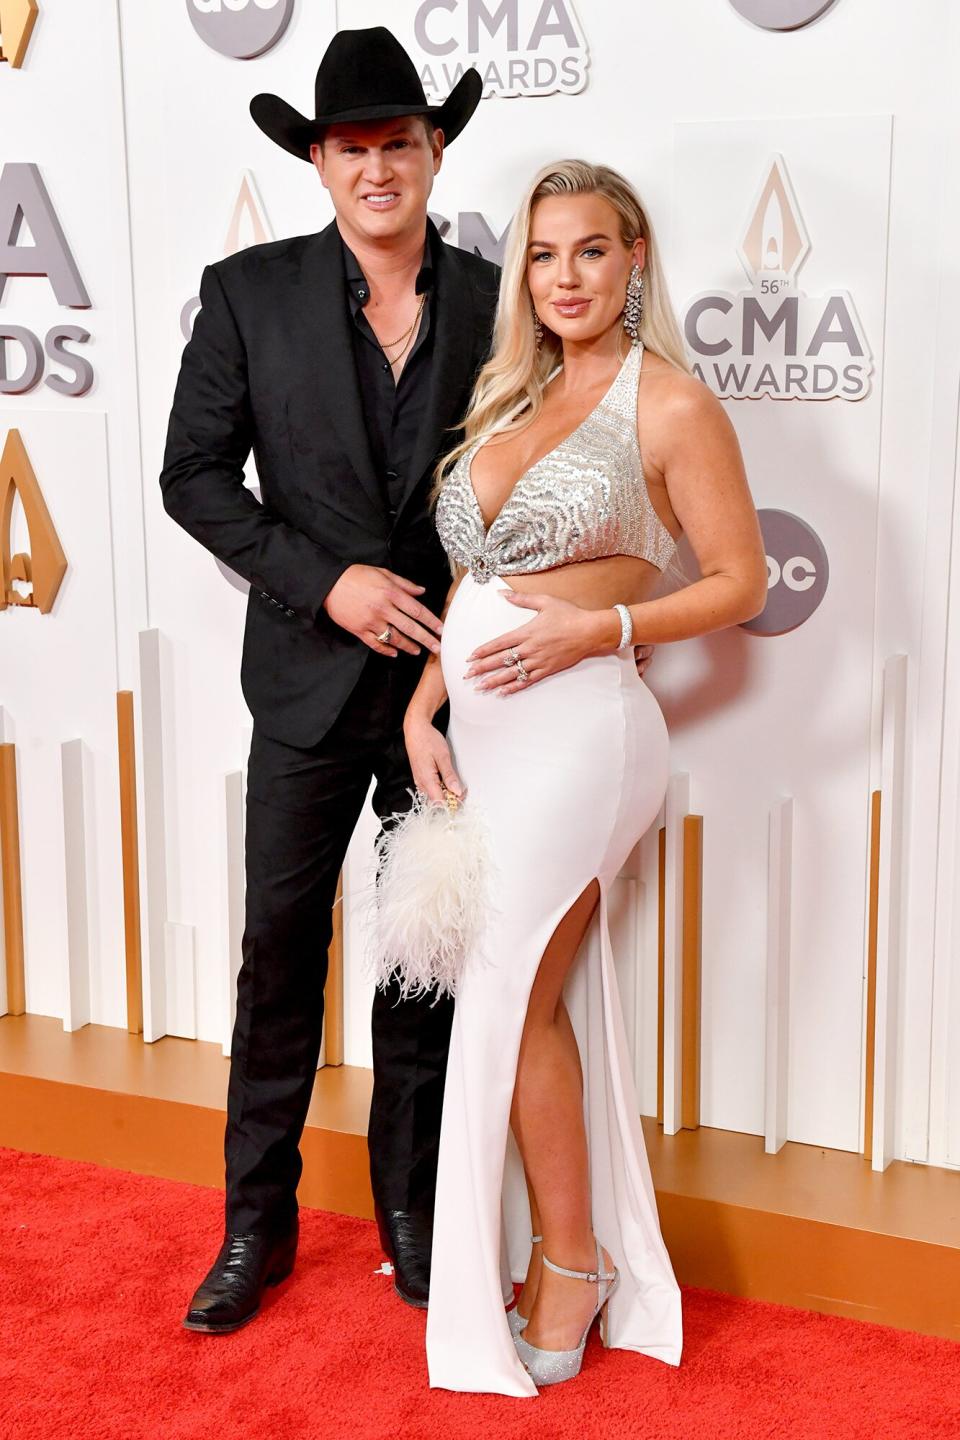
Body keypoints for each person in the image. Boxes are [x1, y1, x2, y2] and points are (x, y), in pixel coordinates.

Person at [402, 160, 768, 1394]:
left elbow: (738, 583)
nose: (566, 277)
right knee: (526, 995)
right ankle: (572, 1251)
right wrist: (422, 706)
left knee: (511, 990)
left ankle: (571, 1263)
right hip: (486, 736)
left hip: (586, 735)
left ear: (635, 260)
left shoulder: (671, 408)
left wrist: (601, 632)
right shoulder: (515, 400)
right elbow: (476, 583)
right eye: (545, 256)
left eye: (591, 252)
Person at [159, 27, 497, 1331]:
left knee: (426, 961)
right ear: (318, 161)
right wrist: (328, 581)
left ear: (433, 150)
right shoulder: (246, 293)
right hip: (303, 684)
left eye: (397, 144)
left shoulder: (492, 296)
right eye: (350, 148)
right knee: (278, 957)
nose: (375, 168)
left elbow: (519, 492)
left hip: (451, 704)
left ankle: (408, 1212)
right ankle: (257, 1223)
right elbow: (195, 480)